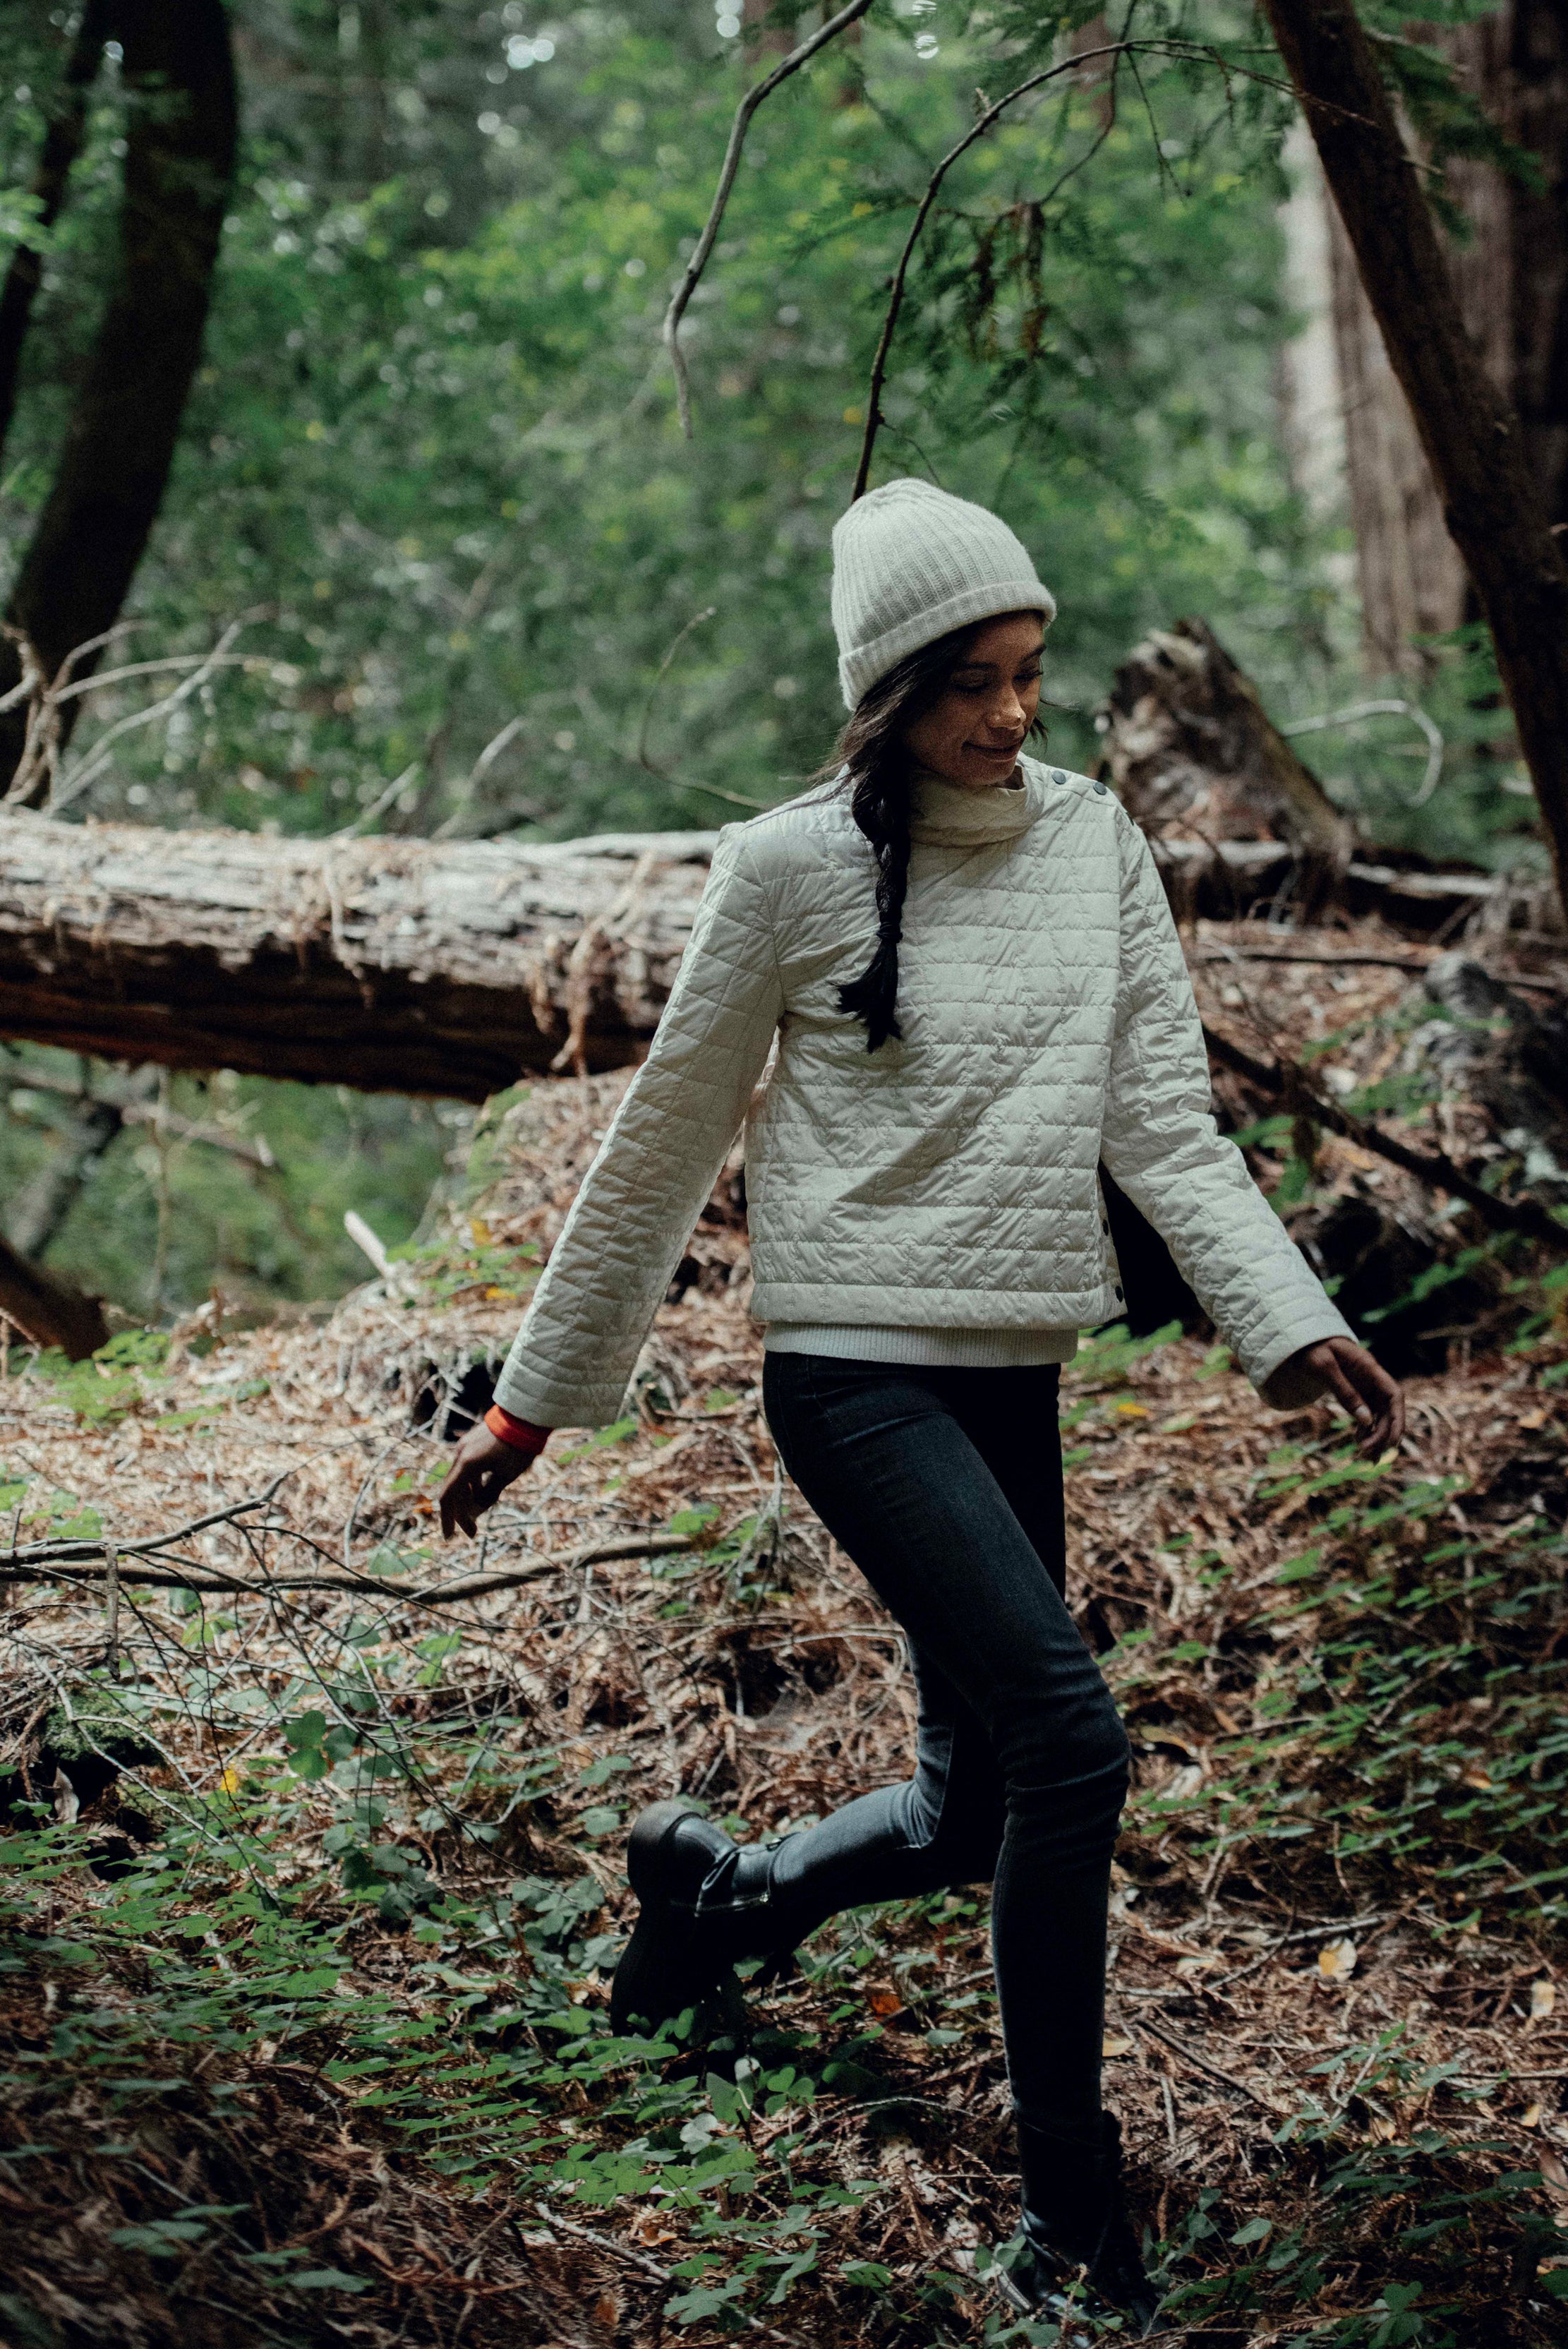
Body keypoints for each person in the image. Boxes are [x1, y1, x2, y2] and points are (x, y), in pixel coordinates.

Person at [438, 478, 1405, 2333]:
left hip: (1012, 1369)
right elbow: (661, 1142)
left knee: (981, 1806)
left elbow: (1159, 1123)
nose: (1010, 715)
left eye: (1028, 673)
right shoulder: (791, 869)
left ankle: (723, 1906)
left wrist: (1283, 1320)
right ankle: (1071, 2221)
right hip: (857, 1382)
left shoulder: (1092, 845)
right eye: (970, 682)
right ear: (888, 689)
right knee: (1074, 1749)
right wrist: (532, 1407)